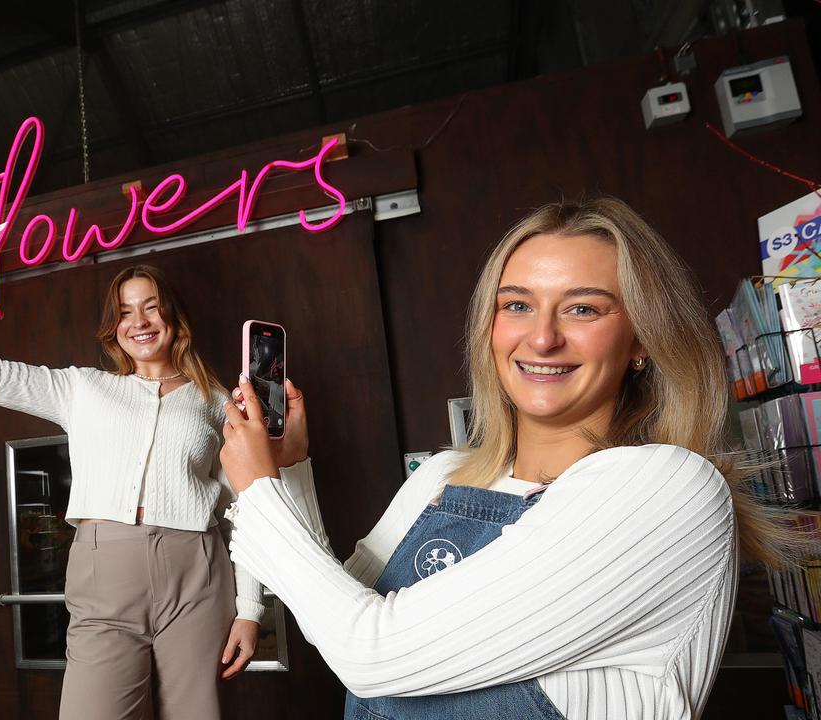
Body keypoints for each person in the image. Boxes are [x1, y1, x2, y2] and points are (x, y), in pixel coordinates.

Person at [217, 197, 796, 720]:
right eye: (517, 304)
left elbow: (372, 654)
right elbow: (334, 615)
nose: (541, 338)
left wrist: (258, 490)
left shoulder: (669, 488)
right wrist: (288, 469)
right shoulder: (448, 473)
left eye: (584, 310)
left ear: (642, 337)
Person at [0, 265, 264, 720]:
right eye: (126, 312)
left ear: (175, 319)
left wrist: (250, 609)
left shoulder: (217, 402)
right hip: (104, 574)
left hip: (197, 574)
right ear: (114, 328)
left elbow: (246, 508)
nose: (141, 321)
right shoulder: (83, 388)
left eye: (152, 307)